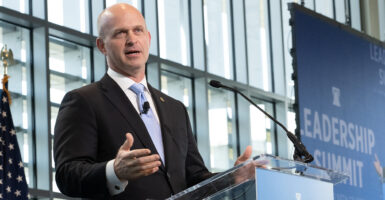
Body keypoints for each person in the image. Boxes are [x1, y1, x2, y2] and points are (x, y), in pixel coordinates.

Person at [54, 3, 252, 200]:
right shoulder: (84, 101)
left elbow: (194, 178)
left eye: (138, 31)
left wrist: (231, 178)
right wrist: (114, 171)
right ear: (102, 46)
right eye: (120, 33)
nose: (132, 40)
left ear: (148, 38)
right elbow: (67, 175)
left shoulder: (175, 109)